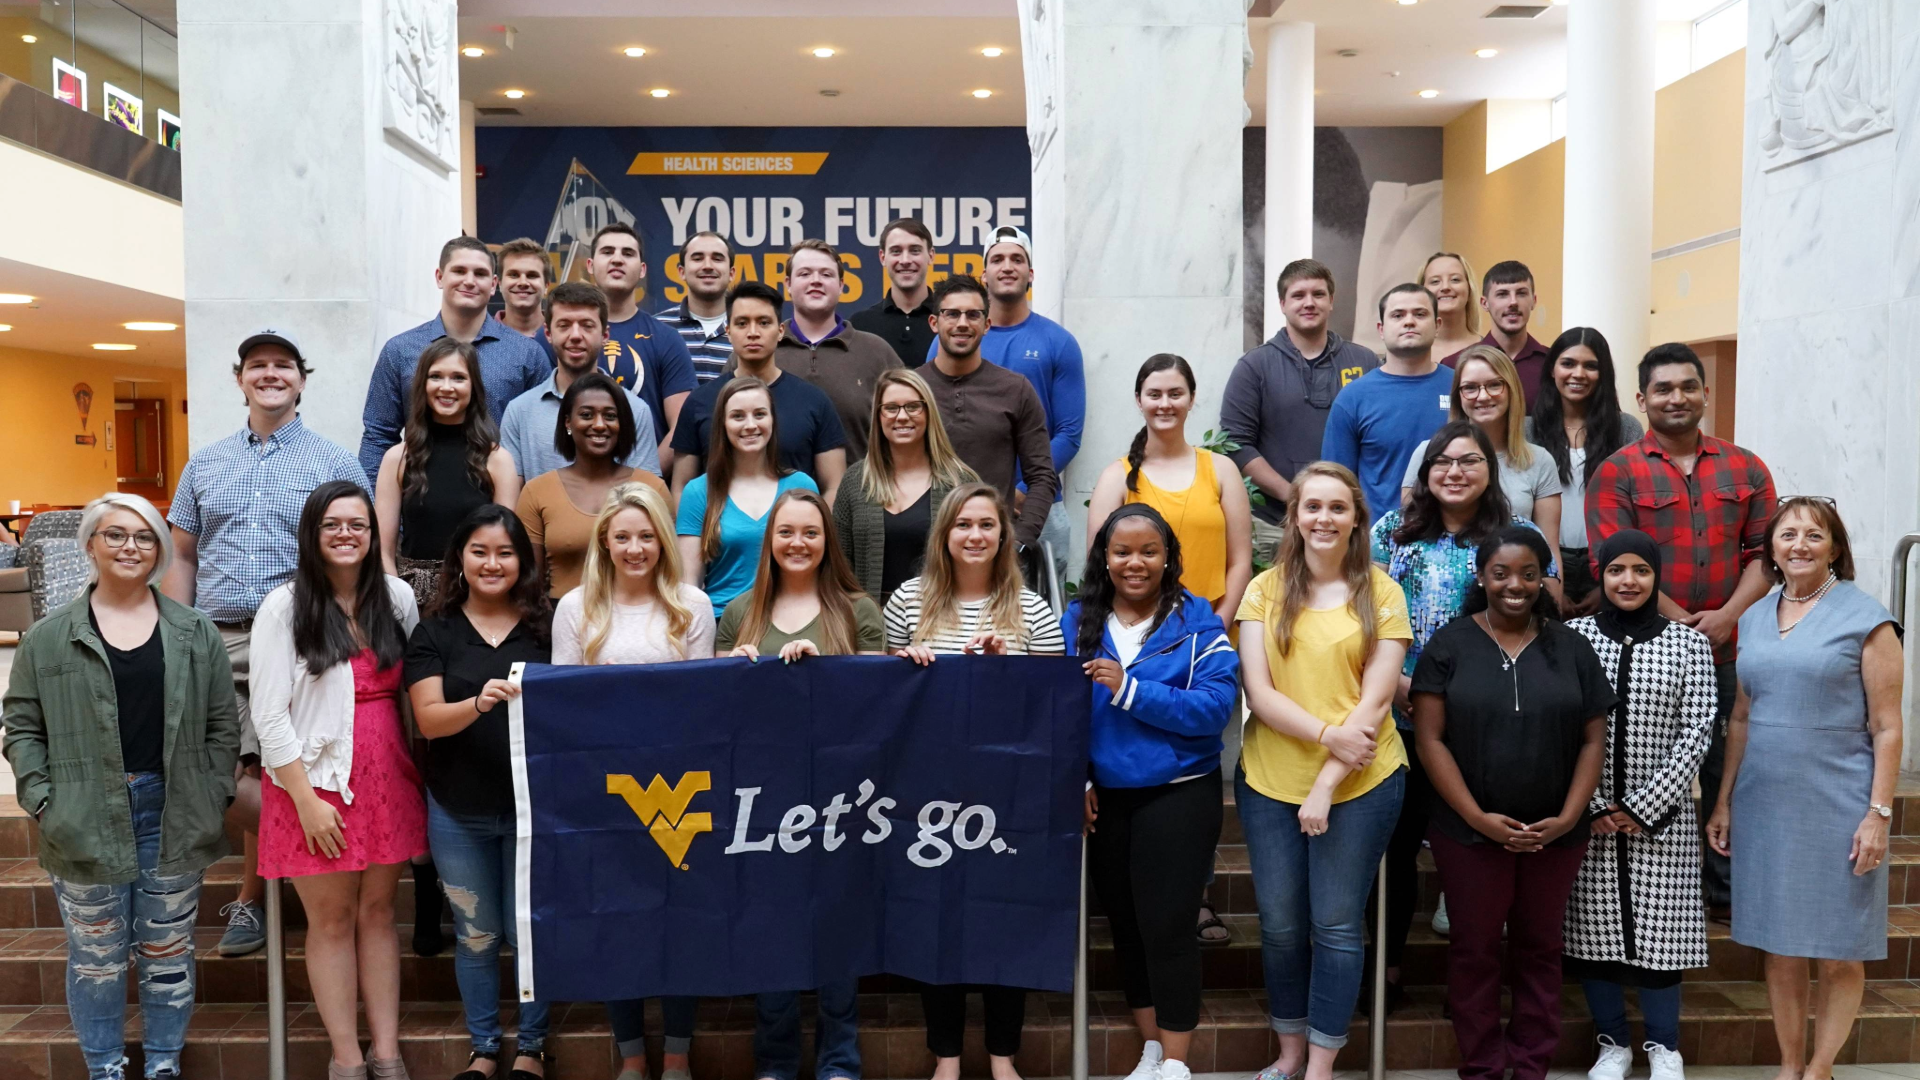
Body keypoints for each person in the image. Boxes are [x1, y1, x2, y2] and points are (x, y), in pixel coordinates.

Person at [3, 494, 240, 1080]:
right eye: (115, 535)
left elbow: (221, 725)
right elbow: (22, 725)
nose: (130, 546)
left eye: (144, 536)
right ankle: (104, 1070)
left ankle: (163, 1067)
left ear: (160, 548)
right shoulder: (49, 637)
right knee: (96, 961)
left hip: (175, 812)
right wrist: (42, 800)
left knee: (166, 956)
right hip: (81, 815)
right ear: (90, 544)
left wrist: (213, 793)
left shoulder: (194, 633)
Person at [163, 328, 371, 960]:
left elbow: (356, 549)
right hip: (217, 636)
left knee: (273, 766)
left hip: (303, 635)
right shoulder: (206, 462)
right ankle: (290, 861)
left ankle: (251, 901)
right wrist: (175, 634)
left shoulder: (333, 462)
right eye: (258, 365)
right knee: (206, 770)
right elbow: (182, 553)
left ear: (302, 380)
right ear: (240, 378)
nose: (271, 374)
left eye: (284, 365)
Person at [1708, 499, 1903, 1080]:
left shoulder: (1866, 617)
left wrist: (1879, 813)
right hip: (1766, 799)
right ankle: (1790, 1065)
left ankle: (1822, 1066)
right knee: (1780, 942)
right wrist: (1724, 799)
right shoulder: (1753, 617)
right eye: (1787, 534)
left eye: (1813, 535)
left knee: (1840, 945)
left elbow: (1888, 725)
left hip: (1840, 799)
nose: (1799, 544)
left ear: (1834, 548)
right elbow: (1740, 717)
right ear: (1769, 548)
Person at [1411, 526, 1610, 1080]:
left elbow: (1594, 737)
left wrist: (1570, 816)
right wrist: (1477, 818)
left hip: (1556, 832)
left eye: (1528, 573)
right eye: (1501, 573)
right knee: (1474, 951)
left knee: (1540, 948)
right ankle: (1481, 1066)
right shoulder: (1449, 643)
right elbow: (1430, 739)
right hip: (1468, 832)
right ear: (1481, 577)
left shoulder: (1572, 646)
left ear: (1545, 577)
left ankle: (1530, 1066)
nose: (1515, 585)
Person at [1233, 462, 1410, 1080]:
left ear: (1357, 517)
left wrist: (1327, 782)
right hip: (1270, 777)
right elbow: (1259, 689)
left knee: (1335, 925)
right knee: (1281, 927)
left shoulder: (1383, 591)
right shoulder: (1263, 589)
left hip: (1360, 780)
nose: (1324, 519)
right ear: (1295, 516)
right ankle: (1287, 1054)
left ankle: (1321, 1066)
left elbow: (1377, 701)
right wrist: (1325, 735)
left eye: (1338, 507)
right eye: (1313, 507)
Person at [1588, 342, 1777, 919]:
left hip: (1735, 645)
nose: (1677, 398)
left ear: (1705, 393)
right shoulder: (1618, 471)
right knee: (1653, 765)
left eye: (1687, 387)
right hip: (1648, 654)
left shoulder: (1746, 466)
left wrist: (1727, 618)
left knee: (1730, 766)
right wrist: (1686, 628)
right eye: (1663, 389)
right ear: (1642, 399)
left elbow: (1766, 555)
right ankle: (1657, 895)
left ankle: (1725, 893)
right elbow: (1610, 562)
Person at [885, 483, 1065, 1080]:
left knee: (1004, 918)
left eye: (987, 524)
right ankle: (947, 1057)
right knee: (938, 918)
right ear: (945, 534)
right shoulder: (908, 602)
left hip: (1007, 793)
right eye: (963, 524)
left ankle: (1003, 1056)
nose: (975, 535)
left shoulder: (1033, 608)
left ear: (1003, 536)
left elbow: (1052, 708)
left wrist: (1003, 672)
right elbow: (882, 701)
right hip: (927, 794)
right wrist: (907, 668)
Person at [1369, 422, 1555, 987]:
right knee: (1395, 850)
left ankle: (1472, 985)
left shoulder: (1517, 532)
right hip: (1397, 712)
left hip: (1488, 720)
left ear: (1490, 471)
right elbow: (1361, 616)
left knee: (1476, 856)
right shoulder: (1390, 532)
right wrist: (1398, 685)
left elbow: (1540, 621)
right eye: (1442, 461)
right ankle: (1386, 972)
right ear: (1425, 472)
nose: (1455, 472)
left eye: (1470, 461)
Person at [249, 481, 425, 1080]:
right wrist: (305, 801)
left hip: (387, 779)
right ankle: (346, 1059)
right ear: (312, 534)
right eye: (332, 525)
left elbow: (410, 692)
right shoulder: (285, 606)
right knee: (329, 922)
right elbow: (269, 716)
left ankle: (386, 1052)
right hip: (313, 787)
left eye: (358, 524)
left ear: (375, 534)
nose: (346, 534)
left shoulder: (397, 599)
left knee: (379, 914)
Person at [1065, 505, 1238, 1080]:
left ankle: (1179, 1063)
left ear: (1168, 558)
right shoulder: (1077, 620)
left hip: (1179, 793)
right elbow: (1055, 713)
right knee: (1126, 927)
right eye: (1122, 552)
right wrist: (1080, 778)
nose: (1135, 563)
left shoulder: (1197, 621)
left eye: (1148, 551)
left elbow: (1214, 709)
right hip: (1105, 797)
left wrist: (1130, 690)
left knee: (1168, 927)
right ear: (1104, 559)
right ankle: (1153, 1051)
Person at [552, 483, 715, 1080]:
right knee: (614, 920)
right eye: (622, 536)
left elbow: (703, 703)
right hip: (606, 789)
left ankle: (677, 1054)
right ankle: (631, 1057)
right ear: (605, 543)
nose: (635, 547)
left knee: (679, 920)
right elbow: (563, 706)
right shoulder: (576, 609)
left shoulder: (691, 606)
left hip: (678, 789)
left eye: (646, 536)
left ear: (663, 541)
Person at [715, 489, 877, 1080]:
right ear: (769, 541)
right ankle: (777, 1059)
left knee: (837, 927)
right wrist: (738, 673)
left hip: (840, 802)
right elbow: (718, 713)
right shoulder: (738, 614)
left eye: (811, 532)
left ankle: (840, 1059)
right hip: (761, 802)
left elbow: (877, 707)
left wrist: (827, 676)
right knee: (771, 928)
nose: (798, 543)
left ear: (827, 541)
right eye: (786, 532)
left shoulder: (858, 611)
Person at [403, 506, 552, 1080]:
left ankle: (533, 1049)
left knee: (528, 934)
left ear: (523, 562)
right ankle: (485, 1048)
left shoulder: (548, 625)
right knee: (476, 933)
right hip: (456, 808)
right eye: (480, 551)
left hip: (533, 810)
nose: (492, 563)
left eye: (506, 553)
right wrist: (480, 702)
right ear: (459, 560)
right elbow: (429, 721)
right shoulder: (434, 629)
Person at [1564, 530, 1716, 1080]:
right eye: (1616, 570)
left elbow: (1698, 730)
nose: (1628, 581)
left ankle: (1663, 1047)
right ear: (1601, 575)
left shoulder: (1687, 644)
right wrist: (1597, 804)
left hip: (1664, 820)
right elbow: (1564, 725)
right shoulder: (1575, 637)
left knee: (1662, 936)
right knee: (1593, 933)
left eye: (1641, 571)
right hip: (1591, 816)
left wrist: (1647, 804)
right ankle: (1612, 1045)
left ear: (1656, 578)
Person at [939, 225, 1085, 581]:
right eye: (998, 259)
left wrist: (1023, 492)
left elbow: (1069, 432)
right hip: (959, 508)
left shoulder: (1058, 342)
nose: (1008, 266)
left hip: (1038, 507)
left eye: (1017, 259)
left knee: (1038, 619)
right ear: (984, 274)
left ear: (1030, 274)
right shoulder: (952, 337)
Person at [1219, 259, 1380, 561]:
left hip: (1350, 525)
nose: (1309, 303)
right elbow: (1236, 443)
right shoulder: (1254, 367)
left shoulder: (1365, 362)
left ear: (1331, 301)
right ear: (1282, 303)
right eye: (1298, 295)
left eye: (1318, 294)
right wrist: (1296, 496)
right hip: (1274, 524)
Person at [359, 235, 552, 479]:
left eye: (480, 274)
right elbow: (378, 436)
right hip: (419, 501)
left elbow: (541, 440)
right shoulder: (400, 350)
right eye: (459, 271)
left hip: (500, 505)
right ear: (440, 277)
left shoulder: (527, 354)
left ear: (494, 284)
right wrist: (376, 506)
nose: (469, 281)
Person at [1090, 354, 1254, 625]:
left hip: (1211, 632)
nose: (1165, 404)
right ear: (1139, 400)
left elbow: (1240, 563)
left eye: (1175, 394)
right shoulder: (1116, 477)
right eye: (1154, 394)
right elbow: (1100, 566)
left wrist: (1215, 629)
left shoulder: (1222, 470)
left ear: (1191, 399)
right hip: (1139, 636)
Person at [916, 276, 1060, 551]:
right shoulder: (911, 390)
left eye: (973, 315)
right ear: (935, 323)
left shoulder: (1015, 389)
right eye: (952, 314)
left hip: (991, 548)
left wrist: (1021, 539)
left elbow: (1042, 476)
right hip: (921, 547)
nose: (962, 323)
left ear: (986, 325)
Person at [373, 337, 520, 605]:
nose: (446, 387)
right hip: (410, 600)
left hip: (476, 599)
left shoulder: (498, 460)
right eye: (436, 377)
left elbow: (505, 548)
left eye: (458, 378)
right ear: (423, 385)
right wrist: (396, 604)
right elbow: (383, 550)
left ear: (473, 386)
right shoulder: (397, 458)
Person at [670, 280, 848, 499]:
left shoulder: (813, 400)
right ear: (728, 331)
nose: (753, 333)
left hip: (795, 531)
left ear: (781, 331)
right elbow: (681, 487)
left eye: (764, 323)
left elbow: (834, 486)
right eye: (742, 323)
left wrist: (818, 531)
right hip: (717, 531)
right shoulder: (701, 401)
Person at [1399, 345, 1563, 582]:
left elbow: (1549, 553)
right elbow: (1409, 533)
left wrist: (1551, 611)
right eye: (1470, 388)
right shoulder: (1427, 453)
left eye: (1494, 385)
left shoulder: (1539, 460)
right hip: (1433, 591)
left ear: (1512, 390)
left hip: (1511, 596)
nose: (1483, 396)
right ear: (1458, 396)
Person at [516, 371, 669, 600]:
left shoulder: (652, 489)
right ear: (568, 422)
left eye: (610, 416)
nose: (599, 425)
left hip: (639, 621)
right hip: (558, 622)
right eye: (587, 415)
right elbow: (529, 584)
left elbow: (669, 572)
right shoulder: (536, 492)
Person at [832, 368, 979, 604]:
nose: (902, 416)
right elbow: (838, 565)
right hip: (870, 626)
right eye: (891, 408)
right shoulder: (855, 481)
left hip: (940, 621)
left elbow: (979, 564)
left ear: (928, 412)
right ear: (878, 416)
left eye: (913, 406)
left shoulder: (960, 483)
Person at [676, 377, 821, 617]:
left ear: (773, 420)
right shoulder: (698, 492)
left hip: (790, 623)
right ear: (722, 423)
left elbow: (819, 568)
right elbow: (689, 585)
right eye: (738, 416)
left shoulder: (802, 485)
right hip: (723, 623)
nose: (750, 425)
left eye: (760, 414)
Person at [1525, 328, 1643, 616]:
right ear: (1552, 370)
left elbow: (1635, 508)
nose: (1578, 373)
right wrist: (1546, 581)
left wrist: (1607, 584)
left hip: (1607, 560)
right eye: (1568, 363)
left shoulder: (1626, 428)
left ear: (1603, 374)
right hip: (1543, 560)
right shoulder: (1527, 429)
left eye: (1590, 366)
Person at [498, 281, 661, 483]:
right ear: (548, 333)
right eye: (564, 325)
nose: (575, 336)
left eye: (587, 325)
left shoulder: (635, 410)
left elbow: (647, 496)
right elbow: (512, 503)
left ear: (605, 335)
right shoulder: (519, 412)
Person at [1321, 283, 1454, 521]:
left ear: (1437, 325)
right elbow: (1335, 485)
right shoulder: (1353, 398)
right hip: (1377, 545)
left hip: (1453, 540)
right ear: (1381, 329)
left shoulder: (1462, 387)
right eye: (1398, 315)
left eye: (1420, 314)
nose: (1409, 321)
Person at [771, 238, 903, 460]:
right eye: (804, 274)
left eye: (826, 274)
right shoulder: (761, 349)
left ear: (841, 285)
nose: (816, 281)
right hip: (774, 493)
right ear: (788, 284)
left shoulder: (877, 352)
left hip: (862, 493)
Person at [586, 222, 700, 469]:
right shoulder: (559, 337)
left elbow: (681, 427)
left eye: (628, 253)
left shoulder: (666, 338)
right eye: (607, 252)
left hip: (645, 492)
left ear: (643, 270)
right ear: (590, 265)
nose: (617, 259)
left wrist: (642, 481)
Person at [1441, 260, 1550, 411]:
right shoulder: (1454, 365)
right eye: (1502, 294)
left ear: (1534, 301)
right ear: (1484, 303)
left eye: (1521, 293)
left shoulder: (1551, 364)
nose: (1513, 302)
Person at [850, 216, 937, 366]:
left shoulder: (950, 321)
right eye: (896, 251)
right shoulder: (860, 325)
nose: (905, 260)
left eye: (915, 251)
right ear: (883, 257)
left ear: (931, 255)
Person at [655, 230, 735, 382]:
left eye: (717, 259)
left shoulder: (750, 330)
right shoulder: (656, 329)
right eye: (697, 258)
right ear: (681, 272)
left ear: (731, 273)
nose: (707, 266)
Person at [1420, 252, 1481, 362]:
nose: (1445, 287)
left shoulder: (1491, 350)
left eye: (1455, 279)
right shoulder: (1408, 352)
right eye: (1435, 281)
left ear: (1469, 288)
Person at [495, 237, 552, 339]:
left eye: (532, 275)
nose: (523, 282)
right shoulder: (481, 336)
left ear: (546, 286)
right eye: (513, 275)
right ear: (499, 283)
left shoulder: (561, 337)